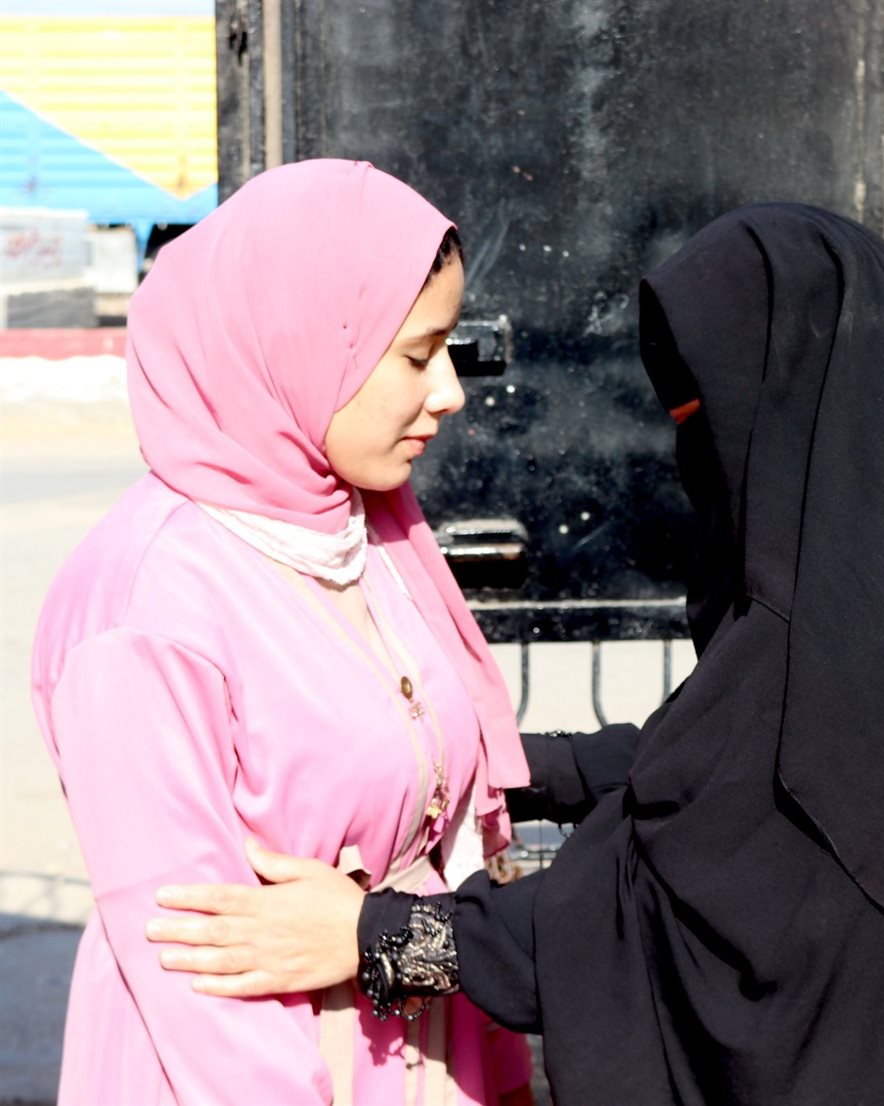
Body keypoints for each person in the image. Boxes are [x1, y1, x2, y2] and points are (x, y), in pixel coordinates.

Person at [147, 204, 884, 1104]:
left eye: (708, 416)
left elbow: (670, 906)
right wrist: (524, 764)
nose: (697, 454)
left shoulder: (841, 645)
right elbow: (760, 765)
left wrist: (380, 934)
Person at [31, 158, 536, 1106]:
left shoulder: (365, 529)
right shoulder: (147, 606)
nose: (450, 393)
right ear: (306, 347)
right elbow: (196, 970)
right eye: (417, 356)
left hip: (414, 1044)